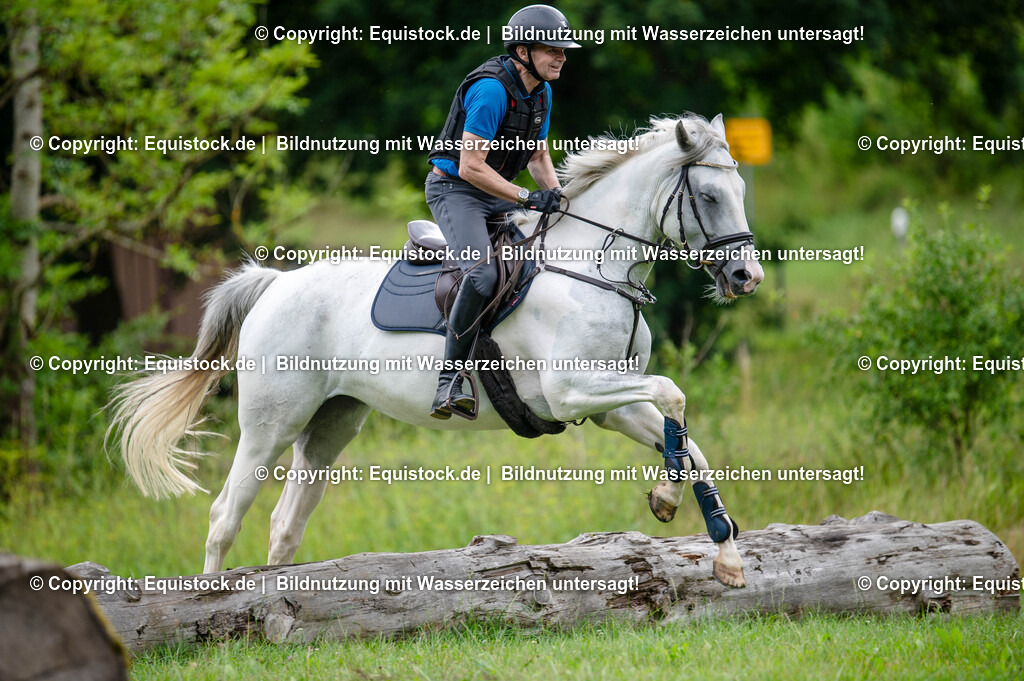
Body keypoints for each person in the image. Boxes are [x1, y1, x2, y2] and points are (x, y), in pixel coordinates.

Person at [425, 5, 580, 419]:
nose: (562, 57)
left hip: (497, 192)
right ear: (523, 50)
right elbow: (470, 165)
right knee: (483, 273)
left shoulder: (541, 91)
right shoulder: (492, 89)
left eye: (564, 50)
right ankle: (449, 380)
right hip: (456, 190)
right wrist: (526, 198)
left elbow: (538, 155)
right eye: (553, 50)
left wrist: (561, 199)